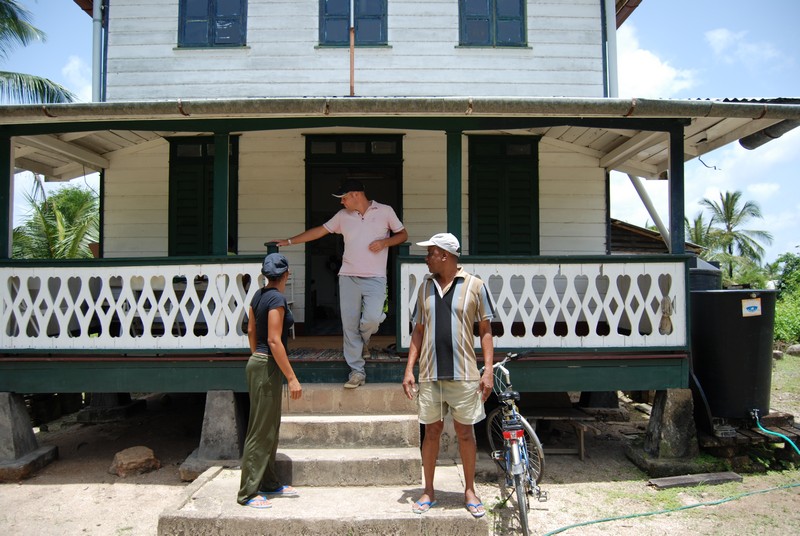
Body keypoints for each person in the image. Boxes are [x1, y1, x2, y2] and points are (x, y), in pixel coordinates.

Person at [272, 178, 408, 389]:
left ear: (355, 195)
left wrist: (385, 242)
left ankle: (363, 342)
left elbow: (403, 234)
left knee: (372, 319)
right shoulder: (343, 216)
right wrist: (289, 241)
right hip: (348, 277)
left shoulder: (385, 211)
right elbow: (319, 231)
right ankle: (357, 371)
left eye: (343, 198)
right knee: (349, 325)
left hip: (376, 277)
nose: (341, 202)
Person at [401, 233, 496, 518]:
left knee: (466, 433)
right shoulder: (425, 286)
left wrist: (488, 370)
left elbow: (486, 330)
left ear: (444, 255)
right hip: (430, 374)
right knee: (431, 432)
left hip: (465, 374)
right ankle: (428, 490)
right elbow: (418, 330)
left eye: (430, 252)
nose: (427, 258)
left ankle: (470, 490)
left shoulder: (475, 286)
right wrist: (409, 369)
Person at [237, 253, 303, 509]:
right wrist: (292, 377)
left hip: (259, 362)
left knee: (269, 428)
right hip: (267, 366)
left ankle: (269, 482)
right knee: (260, 431)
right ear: (285, 275)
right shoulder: (276, 298)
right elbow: (275, 340)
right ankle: (248, 492)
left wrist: (256, 355)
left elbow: (251, 330)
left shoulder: (258, 295)